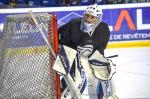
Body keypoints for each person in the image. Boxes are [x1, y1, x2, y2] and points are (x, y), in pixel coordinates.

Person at [57, 3, 118, 99]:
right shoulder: (73, 25)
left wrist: (98, 64)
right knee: (78, 79)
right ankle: (65, 95)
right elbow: (62, 42)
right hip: (72, 54)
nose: (88, 19)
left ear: (98, 19)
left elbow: (99, 50)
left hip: (90, 56)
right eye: (87, 15)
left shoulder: (103, 29)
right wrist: (65, 59)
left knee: (103, 75)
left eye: (92, 17)